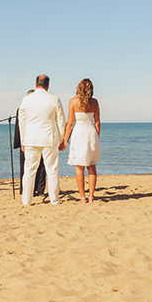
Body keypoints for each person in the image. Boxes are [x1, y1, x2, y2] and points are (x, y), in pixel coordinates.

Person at [18, 74, 66, 205]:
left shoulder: (26, 100)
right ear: (48, 85)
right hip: (49, 138)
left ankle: (26, 200)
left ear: (35, 84)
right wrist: (61, 139)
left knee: (29, 170)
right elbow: (61, 121)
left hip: (31, 138)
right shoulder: (54, 99)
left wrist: (23, 140)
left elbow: (21, 122)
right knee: (52, 170)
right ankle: (54, 199)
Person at [63, 78, 101, 204]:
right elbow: (97, 123)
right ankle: (91, 197)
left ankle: (82, 198)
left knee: (79, 167)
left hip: (79, 133)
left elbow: (69, 123)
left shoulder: (73, 102)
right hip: (91, 133)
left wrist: (64, 140)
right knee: (92, 166)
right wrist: (97, 137)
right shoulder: (95, 102)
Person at [14, 89, 47, 199]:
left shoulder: (41, 109)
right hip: (26, 141)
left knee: (42, 166)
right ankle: (26, 190)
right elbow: (19, 127)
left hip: (40, 139)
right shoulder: (21, 109)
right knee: (26, 167)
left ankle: (40, 188)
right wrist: (20, 142)